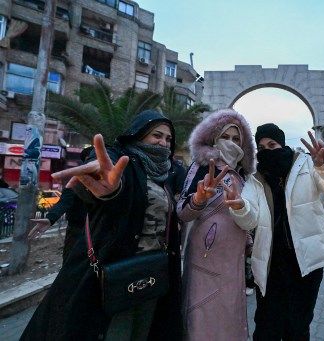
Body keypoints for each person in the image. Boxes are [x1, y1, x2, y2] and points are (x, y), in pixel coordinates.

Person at [21, 110, 183, 340]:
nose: (163, 143)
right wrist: (109, 188)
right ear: (138, 135)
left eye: (168, 139)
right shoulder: (122, 160)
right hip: (118, 271)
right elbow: (108, 177)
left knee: (144, 331)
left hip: (152, 270)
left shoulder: (163, 174)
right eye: (156, 135)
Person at [225, 123, 324, 340]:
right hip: (270, 263)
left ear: (282, 144)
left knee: (298, 325)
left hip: (305, 263)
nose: (267, 150)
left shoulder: (306, 165)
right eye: (262, 147)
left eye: (272, 144)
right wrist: (239, 208)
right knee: (266, 325)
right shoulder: (256, 178)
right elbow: (250, 219)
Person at [177, 108, 255, 340]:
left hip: (235, 258)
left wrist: (248, 237)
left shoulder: (242, 175)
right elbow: (182, 212)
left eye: (236, 139)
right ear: (213, 137)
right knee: (203, 313)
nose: (231, 143)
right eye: (225, 137)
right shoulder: (201, 166)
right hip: (205, 256)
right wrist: (198, 200)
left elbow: (244, 214)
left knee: (229, 312)